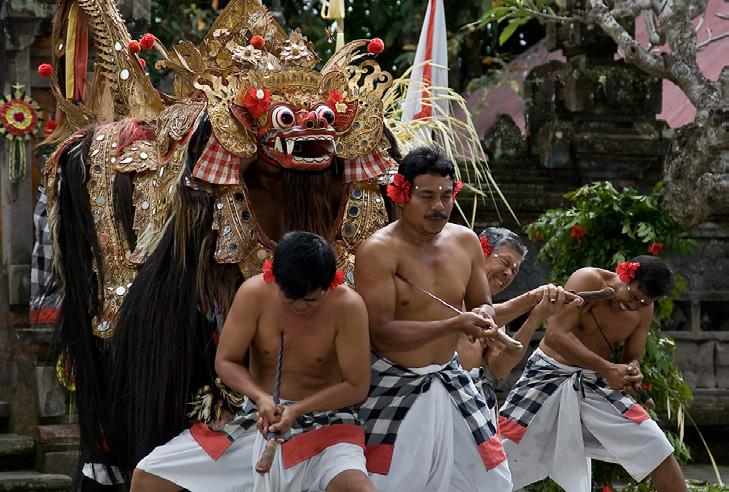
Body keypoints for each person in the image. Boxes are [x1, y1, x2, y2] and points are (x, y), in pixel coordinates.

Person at [130, 232, 375, 492]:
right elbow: (226, 361)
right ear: (274, 278)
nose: (300, 307)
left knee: (358, 488)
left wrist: (297, 410)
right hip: (256, 415)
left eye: (311, 300)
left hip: (326, 422)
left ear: (330, 285)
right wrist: (260, 398)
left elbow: (355, 386)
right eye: (290, 299)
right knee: (147, 476)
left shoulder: (349, 307)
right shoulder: (254, 293)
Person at [354, 147, 512, 492]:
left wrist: (484, 315)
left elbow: (481, 302)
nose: (438, 206)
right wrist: (454, 324)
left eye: (445, 195)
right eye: (426, 196)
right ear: (401, 195)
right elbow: (381, 333)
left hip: (451, 378)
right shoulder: (378, 250)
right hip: (393, 383)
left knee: (492, 481)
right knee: (388, 483)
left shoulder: (466, 240)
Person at [499, 256, 687, 492]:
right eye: (634, 295)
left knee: (657, 446)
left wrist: (631, 369)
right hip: (547, 374)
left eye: (643, 302)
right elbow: (556, 335)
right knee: (497, 455)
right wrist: (608, 369)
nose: (635, 305)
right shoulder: (588, 279)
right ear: (626, 275)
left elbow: (631, 356)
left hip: (594, 383)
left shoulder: (643, 311)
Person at [456, 227, 580, 416]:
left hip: (471, 398)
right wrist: (530, 298)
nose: (508, 274)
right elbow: (473, 315)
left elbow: (500, 368)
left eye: (515, 271)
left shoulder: (496, 316)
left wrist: (535, 317)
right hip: (438, 389)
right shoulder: (451, 292)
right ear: (480, 253)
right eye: (505, 262)